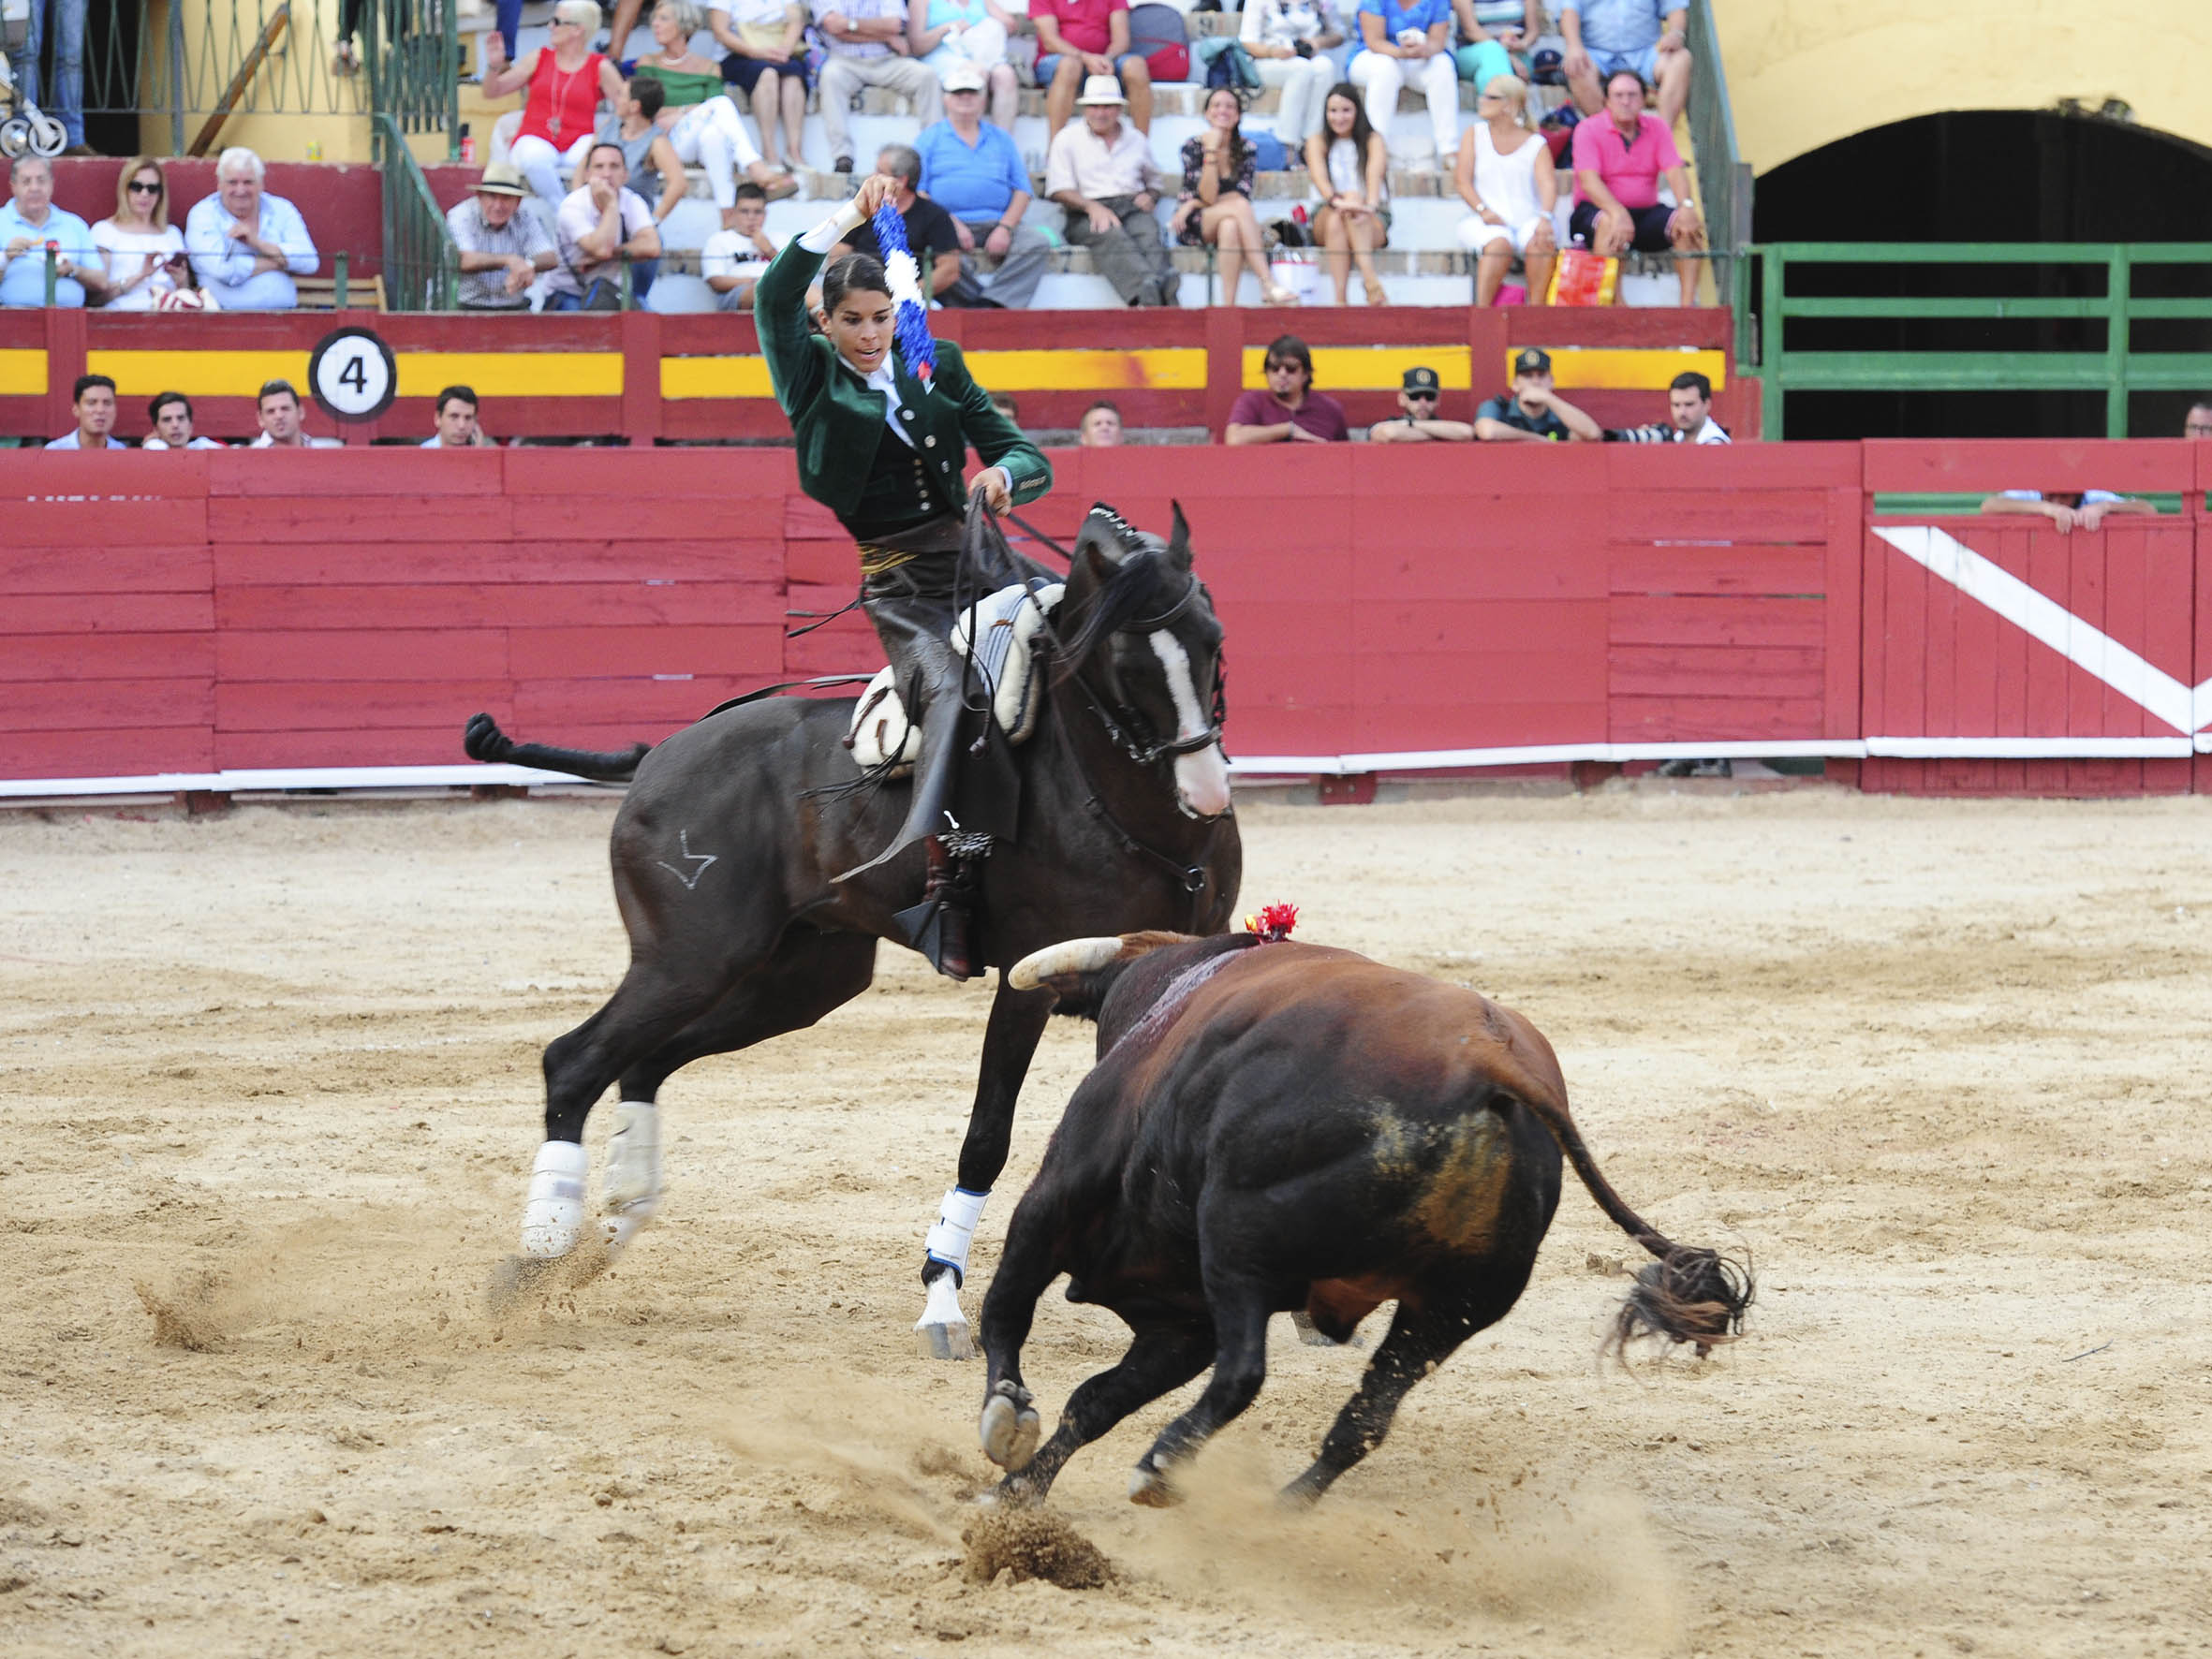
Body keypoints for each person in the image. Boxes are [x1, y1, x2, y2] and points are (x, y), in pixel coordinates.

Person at [753, 172, 1053, 978]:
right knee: (957, 696)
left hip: (982, 554)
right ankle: (948, 879)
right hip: (902, 583)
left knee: (1083, 630)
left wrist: (1003, 479)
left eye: (881, 317)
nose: (869, 334)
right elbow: (773, 293)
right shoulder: (809, 374)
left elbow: (1026, 453)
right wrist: (849, 216)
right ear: (826, 322)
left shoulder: (934, 361)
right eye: (851, 320)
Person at [631, 0, 796, 223]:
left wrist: (679, 113)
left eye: (663, 19)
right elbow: (643, 110)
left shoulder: (709, 67)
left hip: (694, 139)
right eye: (654, 20)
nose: (655, 25)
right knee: (721, 104)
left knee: (714, 136)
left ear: (683, 24)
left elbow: (714, 115)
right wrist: (687, 110)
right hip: (664, 142)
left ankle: (727, 215)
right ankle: (755, 167)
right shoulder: (648, 63)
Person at [915, 64, 1053, 309]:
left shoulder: (1001, 138)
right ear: (946, 99)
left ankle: (993, 304)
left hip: (996, 222)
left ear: (983, 99)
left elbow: (1022, 190)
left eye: (972, 92)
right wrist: (950, 224)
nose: (965, 98)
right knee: (925, 249)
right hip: (946, 223)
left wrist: (1004, 228)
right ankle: (981, 305)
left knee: (1036, 243)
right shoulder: (929, 138)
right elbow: (919, 192)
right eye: (959, 92)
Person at [1569, 66, 1704, 306]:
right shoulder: (1588, 129)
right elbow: (1589, 182)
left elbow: (1674, 171)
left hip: (1645, 213)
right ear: (1606, 101)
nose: (1625, 101)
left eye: (1632, 95)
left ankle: (1687, 308)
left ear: (1643, 99)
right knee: (1610, 223)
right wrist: (1617, 212)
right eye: (1618, 96)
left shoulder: (1658, 127)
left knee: (1687, 225)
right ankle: (1615, 305)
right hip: (1596, 210)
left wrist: (1686, 205)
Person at [1045, 76, 1178, 308]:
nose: (1100, 113)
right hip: (1084, 210)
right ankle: (1152, 295)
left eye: (1106, 106)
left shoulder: (1136, 139)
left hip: (1131, 205)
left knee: (1148, 232)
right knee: (1110, 234)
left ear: (1118, 109)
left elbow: (1154, 182)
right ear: (1085, 109)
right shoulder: (1067, 139)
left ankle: (1158, 290)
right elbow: (1059, 190)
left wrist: (1150, 195)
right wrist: (1092, 207)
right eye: (1094, 107)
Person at [483, 0, 627, 209]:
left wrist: (610, 130)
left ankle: (589, 213)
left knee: (597, 160)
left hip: (579, 139)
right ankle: (566, 211)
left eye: (557, 21)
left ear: (578, 29)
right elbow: (492, 91)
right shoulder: (539, 57)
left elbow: (627, 106)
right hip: (536, 137)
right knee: (534, 158)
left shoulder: (600, 66)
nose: (550, 26)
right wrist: (494, 66)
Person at [1174, 86, 1298, 309]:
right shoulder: (1192, 146)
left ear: (1239, 115)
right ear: (1206, 113)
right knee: (1239, 208)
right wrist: (1210, 151)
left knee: (1231, 225)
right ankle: (1268, 283)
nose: (1223, 110)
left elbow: (1239, 192)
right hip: (1194, 222)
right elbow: (1210, 197)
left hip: (1225, 216)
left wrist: (1193, 201)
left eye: (1230, 106)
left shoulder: (1247, 148)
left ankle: (1228, 307)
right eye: (1217, 105)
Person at [1454, 73, 1556, 306]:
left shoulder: (1535, 143)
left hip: (1527, 219)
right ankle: (1482, 315)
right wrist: (1483, 210)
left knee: (1542, 241)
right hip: (1483, 219)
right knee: (1499, 243)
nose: (1481, 100)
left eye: (1490, 97)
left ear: (1509, 104)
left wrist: (1545, 218)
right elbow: (1462, 180)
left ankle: (1536, 316)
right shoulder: (1475, 134)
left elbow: (1548, 185)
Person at [813, 0, 944, 175]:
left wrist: (849, 25)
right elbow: (833, 27)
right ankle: (842, 156)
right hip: (844, 61)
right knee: (830, 77)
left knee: (926, 76)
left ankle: (933, 150)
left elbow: (894, 25)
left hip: (886, 60)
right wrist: (885, 36)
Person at [184, 147, 319, 311]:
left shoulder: (282, 209)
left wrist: (258, 244)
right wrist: (278, 262)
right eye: (232, 182)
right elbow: (221, 270)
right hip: (223, 318)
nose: (240, 190)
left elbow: (310, 261)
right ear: (219, 184)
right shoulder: (203, 214)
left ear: (261, 184)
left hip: (285, 315)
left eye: (248, 182)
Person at [829, 145, 963, 301]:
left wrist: (905, 296)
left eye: (880, 172)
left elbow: (949, 270)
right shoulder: (863, 207)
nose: (873, 177)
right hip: (859, 298)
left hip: (912, 301)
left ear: (901, 181)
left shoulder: (934, 215)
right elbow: (838, 255)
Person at [547, 142, 664, 309]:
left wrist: (609, 255)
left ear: (625, 175)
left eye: (614, 167)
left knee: (647, 324)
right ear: (587, 175)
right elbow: (601, 249)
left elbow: (653, 246)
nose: (607, 174)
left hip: (611, 291)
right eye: (599, 167)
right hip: (569, 292)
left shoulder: (632, 200)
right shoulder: (572, 205)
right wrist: (611, 206)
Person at [1304, 82, 1390, 307]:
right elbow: (1321, 182)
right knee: (1338, 214)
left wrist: (1363, 205)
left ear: (1357, 111)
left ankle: (1340, 300)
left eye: (1346, 110)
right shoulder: (1317, 141)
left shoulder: (1373, 140)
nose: (1339, 117)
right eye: (1333, 111)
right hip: (1328, 209)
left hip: (1368, 215)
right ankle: (1370, 282)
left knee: (1348, 213)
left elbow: (1374, 181)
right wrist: (1341, 202)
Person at [1349, 0, 1458, 169]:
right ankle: (1375, 148)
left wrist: (1423, 49)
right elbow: (1374, 41)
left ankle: (1449, 150)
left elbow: (1438, 41)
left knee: (1443, 65)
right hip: (1372, 56)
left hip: (1417, 58)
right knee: (1385, 68)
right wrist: (1402, 52)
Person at [710, 0, 810, 174]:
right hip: (738, 54)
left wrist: (785, 49)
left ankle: (794, 152)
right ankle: (769, 152)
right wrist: (756, 52)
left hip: (778, 51)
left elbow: (796, 20)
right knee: (767, 75)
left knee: (793, 76)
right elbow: (720, 31)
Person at [1559, 0, 1688, 132]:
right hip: (1597, 53)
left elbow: (1676, 8)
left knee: (1681, 59)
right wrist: (1573, 45)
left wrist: (1676, 33)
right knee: (1575, 65)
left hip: (1646, 52)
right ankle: (1611, 135)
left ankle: (1661, 135)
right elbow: (1569, 13)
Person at [91, 156, 199, 312]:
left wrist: (181, 282)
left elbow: (185, 295)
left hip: (169, 319)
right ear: (124, 189)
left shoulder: (172, 234)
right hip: (120, 317)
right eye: (136, 187)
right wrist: (140, 276)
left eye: (152, 188)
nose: (144, 194)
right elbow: (95, 298)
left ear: (160, 194)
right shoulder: (104, 231)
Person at [1033, 0, 1152, 139]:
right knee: (1070, 66)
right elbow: (1050, 41)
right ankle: (1055, 150)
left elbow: (1122, 39)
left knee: (1136, 66)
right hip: (1059, 61)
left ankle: (1142, 148)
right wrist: (1085, 58)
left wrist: (1106, 59)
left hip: (1105, 60)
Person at [448, 161, 558, 310]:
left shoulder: (524, 216)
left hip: (513, 308)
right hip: (465, 308)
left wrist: (527, 266)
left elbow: (550, 257)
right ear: (480, 197)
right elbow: (465, 260)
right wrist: (509, 260)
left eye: (506, 197)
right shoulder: (461, 215)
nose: (498, 205)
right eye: (492, 196)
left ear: (518, 202)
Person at [1238, 0, 1345, 150]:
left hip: (1309, 58)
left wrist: (1318, 42)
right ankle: (1287, 144)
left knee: (1325, 67)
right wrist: (1273, 51)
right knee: (1301, 68)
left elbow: (1339, 34)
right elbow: (1247, 41)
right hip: (1268, 59)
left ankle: (1313, 142)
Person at [1, 154, 102, 309]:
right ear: (13, 186)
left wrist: (73, 269)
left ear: (52, 185)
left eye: (41, 181)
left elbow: (101, 281)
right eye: (26, 181)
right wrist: (5, 258)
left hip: (69, 318)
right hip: (12, 319)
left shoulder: (74, 225)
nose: (34, 188)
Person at [909, 0, 1020, 130]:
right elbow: (917, 46)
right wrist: (949, 28)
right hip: (941, 54)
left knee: (1006, 75)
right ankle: (970, 141)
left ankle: (1002, 144)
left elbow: (1011, 25)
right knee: (976, 73)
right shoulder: (921, 2)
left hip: (981, 54)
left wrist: (983, 23)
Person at [598, 75, 690, 227]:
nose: (616, 98)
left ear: (634, 106)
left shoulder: (657, 142)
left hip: (631, 223)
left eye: (621, 94)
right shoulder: (610, 124)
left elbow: (679, 184)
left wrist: (652, 222)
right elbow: (585, 165)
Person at [1226, 334, 1349, 444]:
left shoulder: (1330, 410)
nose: (1282, 374)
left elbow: (1346, 456)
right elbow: (1234, 439)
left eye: (1291, 369)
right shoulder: (1252, 402)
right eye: (1274, 368)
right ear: (1267, 372)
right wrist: (1287, 430)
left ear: (1306, 374)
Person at [1474, 345, 1599, 441]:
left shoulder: (1560, 416)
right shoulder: (1498, 408)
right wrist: (1537, 439)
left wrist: (1548, 398)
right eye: (1528, 376)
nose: (1535, 382)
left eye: (1541, 376)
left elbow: (1593, 433)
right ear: (1515, 384)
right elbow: (1487, 431)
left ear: (1551, 382)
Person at [700, 181, 780, 310]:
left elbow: (798, 276)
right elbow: (716, 281)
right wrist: (757, 281)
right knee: (765, 289)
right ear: (734, 213)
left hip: (780, 292)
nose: (751, 217)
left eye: (757, 212)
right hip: (738, 295)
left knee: (807, 290)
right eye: (744, 211)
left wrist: (770, 250)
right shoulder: (719, 240)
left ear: (765, 214)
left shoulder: (779, 239)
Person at [1606, 370, 1729, 444]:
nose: (1682, 412)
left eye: (1689, 404)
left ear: (1707, 404)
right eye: (1676, 405)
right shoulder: (1675, 438)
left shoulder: (1716, 443)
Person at [1451, 0, 1541, 94]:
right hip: (1473, 53)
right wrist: (1507, 55)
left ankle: (1494, 103)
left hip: (1517, 54)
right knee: (1492, 55)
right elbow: (1471, 31)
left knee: (1491, 69)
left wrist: (1522, 44)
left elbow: (1533, 31)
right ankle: (1499, 104)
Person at [1368, 364, 1473, 442]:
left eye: (1429, 397)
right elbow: (1389, 433)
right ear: (1402, 398)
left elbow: (1467, 432)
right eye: (1415, 396)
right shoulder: (1391, 422)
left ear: (1437, 400)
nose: (1423, 403)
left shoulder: (1440, 424)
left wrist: (1411, 424)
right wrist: (1443, 434)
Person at [1977, 490, 2157, 534]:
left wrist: (2105, 507)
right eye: (2051, 495)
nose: (2057, 501)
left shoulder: (2092, 496)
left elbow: (2148, 510)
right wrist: (2047, 509)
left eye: (2064, 496)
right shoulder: (2032, 494)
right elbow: (1989, 505)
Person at [249, 380, 342, 448]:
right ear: (260, 419)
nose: (279, 416)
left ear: (300, 412)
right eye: (271, 411)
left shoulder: (324, 451)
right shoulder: (249, 457)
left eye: (285, 408)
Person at [46, 374, 125, 449]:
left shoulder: (122, 452)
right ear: (76, 409)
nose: (100, 410)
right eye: (91, 403)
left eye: (107, 403)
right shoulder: (55, 451)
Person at [141, 390, 225, 449]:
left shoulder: (205, 446)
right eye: (167, 419)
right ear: (156, 429)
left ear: (190, 425)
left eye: (181, 418)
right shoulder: (151, 448)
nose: (175, 425)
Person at [423, 386, 497, 448]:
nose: (461, 425)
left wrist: (478, 455)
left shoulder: (484, 451)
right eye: (454, 416)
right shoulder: (422, 454)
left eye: (468, 418)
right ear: (438, 419)